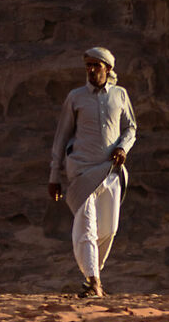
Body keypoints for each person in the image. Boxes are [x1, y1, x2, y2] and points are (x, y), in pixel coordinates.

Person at [47, 45, 136, 297]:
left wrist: (122, 147)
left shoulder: (120, 95)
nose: (91, 70)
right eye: (88, 66)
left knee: (109, 229)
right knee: (86, 226)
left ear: (108, 69)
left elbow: (131, 128)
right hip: (81, 170)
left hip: (110, 171)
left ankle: (93, 274)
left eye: (96, 66)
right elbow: (61, 137)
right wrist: (55, 176)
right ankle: (93, 280)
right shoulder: (75, 97)